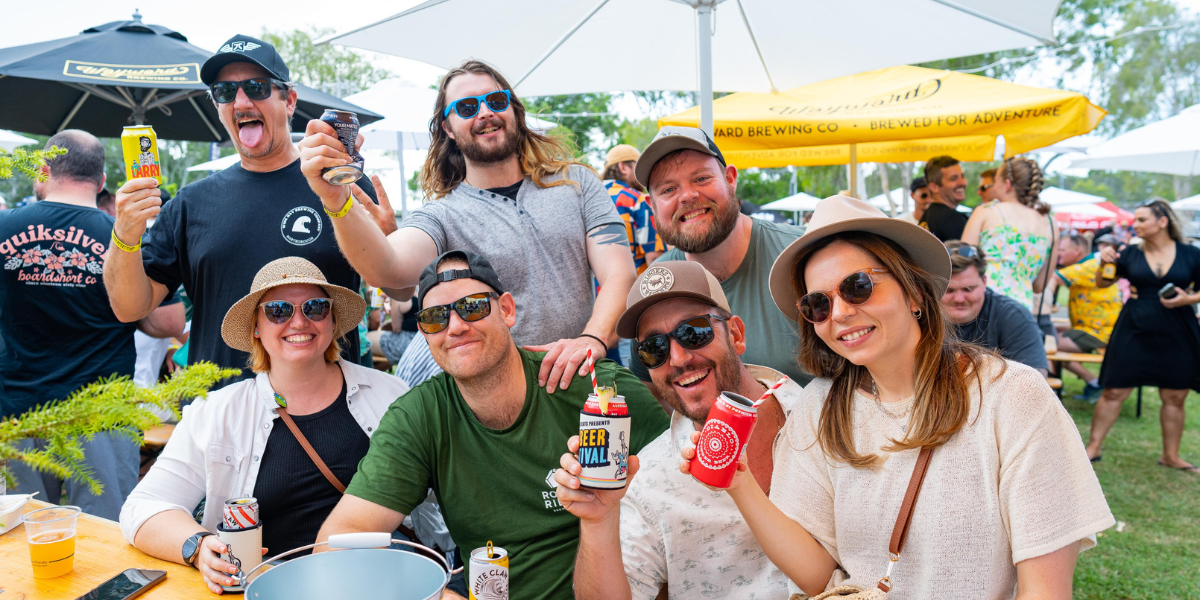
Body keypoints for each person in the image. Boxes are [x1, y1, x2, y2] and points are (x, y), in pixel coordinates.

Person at [683, 194, 1113, 599]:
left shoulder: (1011, 396)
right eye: (818, 304)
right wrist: (739, 484)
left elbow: (1046, 590)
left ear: (912, 289)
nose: (841, 313)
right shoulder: (819, 407)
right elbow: (820, 575)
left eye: (857, 286)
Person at [314, 250, 668, 600]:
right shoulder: (420, 417)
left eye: (472, 306)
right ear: (423, 332)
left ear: (507, 310)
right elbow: (335, 546)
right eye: (436, 318)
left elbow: (691, 499)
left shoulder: (595, 388)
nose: (455, 327)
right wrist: (435, 596)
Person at [299, 59, 635, 394]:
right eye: (468, 106)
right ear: (447, 128)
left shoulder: (577, 182)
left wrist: (591, 340)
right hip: (498, 401)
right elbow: (388, 269)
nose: (486, 112)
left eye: (497, 100)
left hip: (583, 382)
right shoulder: (443, 215)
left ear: (514, 110)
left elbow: (620, 274)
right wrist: (335, 197)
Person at [104, 34, 382, 388]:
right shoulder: (190, 204)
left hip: (328, 412)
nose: (240, 101)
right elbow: (130, 308)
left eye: (257, 87)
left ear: (290, 100)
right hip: (220, 418)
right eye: (224, 92)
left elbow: (394, 283)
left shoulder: (340, 187)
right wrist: (124, 234)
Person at [120, 258, 410, 593]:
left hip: (377, 584)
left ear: (332, 321)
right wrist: (198, 548)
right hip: (265, 587)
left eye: (315, 308)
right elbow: (143, 508)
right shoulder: (218, 412)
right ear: (256, 326)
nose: (298, 321)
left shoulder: (390, 395)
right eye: (278, 311)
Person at [554, 261, 799, 600]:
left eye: (694, 332)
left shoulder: (819, 417)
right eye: (654, 349)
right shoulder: (648, 479)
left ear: (736, 335)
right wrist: (598, 522)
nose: (679, 357)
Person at [1, 130, 184, 520]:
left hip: (21, 411)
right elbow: (171, 321)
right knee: (108, 535)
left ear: (42, 171)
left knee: (28, 534)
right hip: (104, 413)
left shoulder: (4, 228)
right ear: (101, 181)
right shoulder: (124, 239)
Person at [628, 126, 811, 386]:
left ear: (731, 179)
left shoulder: (804, 254)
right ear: (652, 205)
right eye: (668, 189)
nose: (688, 195)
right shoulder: (654, 285)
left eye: (701, 179)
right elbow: (650, 391)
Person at [1087, 199, 1200, 471]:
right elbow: (1103, 282)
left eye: (1141, 220)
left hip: (1178, 328)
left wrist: (1188, 299)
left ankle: (1170, 455)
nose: (1134, 225)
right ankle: (1093, 447)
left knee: (1175, 395)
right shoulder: (1128, 253)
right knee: (1114, 390)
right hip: (1134, 325)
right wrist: (1104, 264)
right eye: (1135, 220)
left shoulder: (1191, 254)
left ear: (1162, 221)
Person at [962, 157, 1058, 312]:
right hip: (1021, 311)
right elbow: (1039, 286)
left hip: (983, 305)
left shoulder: (986, 211)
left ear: (1006, 184)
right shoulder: (1050, 224)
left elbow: (962, 264)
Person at [942, 241, 1048, 374]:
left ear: (984, 282)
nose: (959, 299)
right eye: (949, 290)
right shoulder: (918, 315)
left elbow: (1035, 379)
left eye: (968, 289)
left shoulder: (1013, 316)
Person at [1052, 232, 1121, 401]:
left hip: (1099, 331)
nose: (1058, 254)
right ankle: (1053, 386)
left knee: (1048, 341)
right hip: (1095, 328)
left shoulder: (1086, 266)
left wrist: (1047, 304)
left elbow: (1054, 278)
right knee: (1050, 334)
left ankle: (1093, 383)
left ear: (1076, 250)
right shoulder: (1089, 263)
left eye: (1061, 250)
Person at [602, 144, 665, 275]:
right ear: (623, 167)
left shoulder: (589, 201)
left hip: (598, 292)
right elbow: (654, 258)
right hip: (634, 290)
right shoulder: (637, 200)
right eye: (638, 167)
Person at [918, 155, 969, 241]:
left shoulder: (927, 217)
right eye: (953, 178)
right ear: (934, 187)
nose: (962, 182)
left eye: (963, 176)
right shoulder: (952, 219)